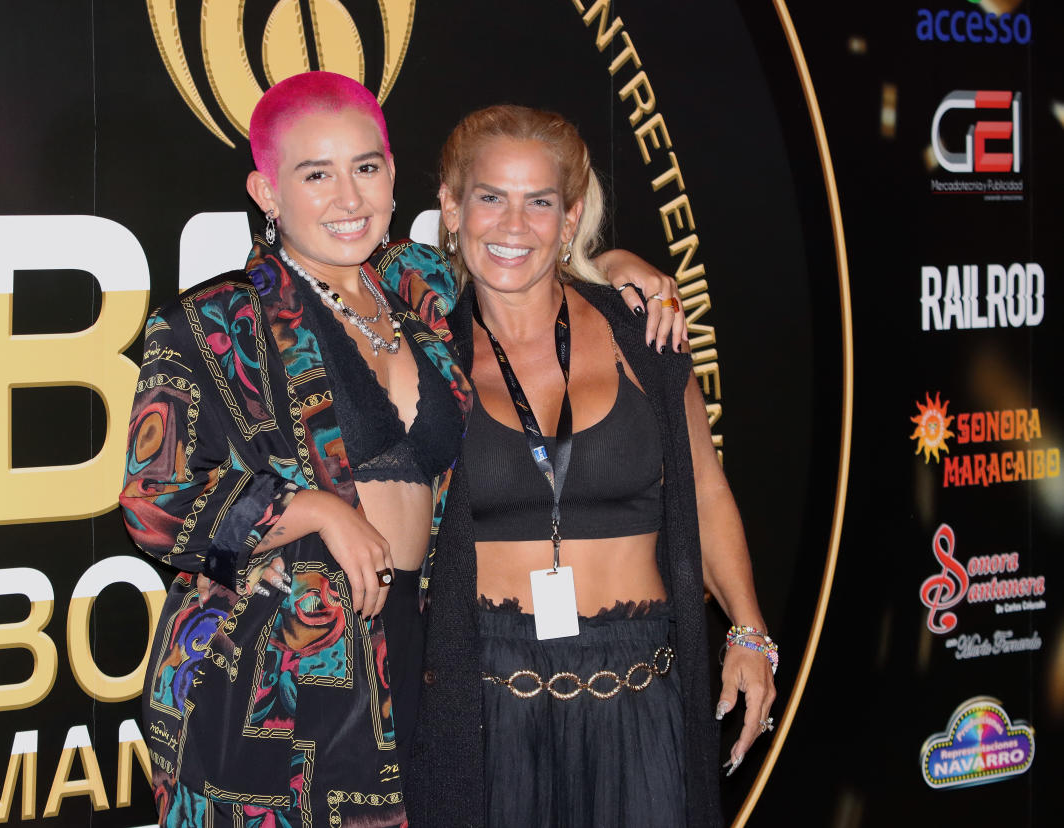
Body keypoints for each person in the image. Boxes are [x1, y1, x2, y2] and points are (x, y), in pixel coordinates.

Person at [120, 74, 684, 826]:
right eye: (315, 174)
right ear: (267, 190)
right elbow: (154, 512)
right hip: (271, 669)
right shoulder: (214, 322)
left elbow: (519, 263)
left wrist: (615, 269)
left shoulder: (413, 285)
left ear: (392, 176)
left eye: (366, 167)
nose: (348, 198)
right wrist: (312, 509)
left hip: (411, 652)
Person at [393, 105, 778, 827]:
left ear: (570, 219)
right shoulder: (423, 355)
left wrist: (749, 630)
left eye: (539, 202)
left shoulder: (642, 330)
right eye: (489, 197)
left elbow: (706, 488)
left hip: (640, 689)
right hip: (486, 707)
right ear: (450, 208)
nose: (513, 225)